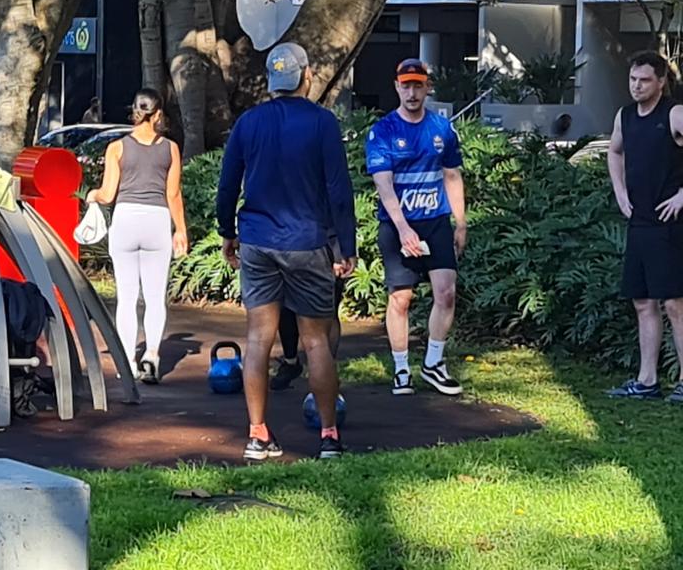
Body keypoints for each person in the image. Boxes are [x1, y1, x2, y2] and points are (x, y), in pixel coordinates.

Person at [217, 43, 357, 461]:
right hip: (307, 242)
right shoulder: (322, 123)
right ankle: (329, 436)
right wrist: (345, 247)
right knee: (316, 340)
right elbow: (338, 189)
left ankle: (258, 435)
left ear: (271, 80)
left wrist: (228, 231)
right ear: (306, 76)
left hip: (258, 241)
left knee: (258, 338)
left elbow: (228, 184)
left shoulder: (248, 122)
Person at [365, 59, 467, 397]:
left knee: (446, 292)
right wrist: (403, 228)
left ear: (427, 87)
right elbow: (384, 185)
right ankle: (401, 368)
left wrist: (461, 222)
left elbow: (452, 175)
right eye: (406, 85)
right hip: (397, 226)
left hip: (436, 221)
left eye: (418, 85)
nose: (412, 92)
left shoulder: (442, 129)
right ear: (396, 87)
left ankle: (434, 363)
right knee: (401, 299)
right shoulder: (383, 131)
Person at [86, 89, 188, 383]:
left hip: (126, 219)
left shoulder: (117, 148)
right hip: (157, 220)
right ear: (156, 115)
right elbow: (173, 194)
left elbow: (107, 194)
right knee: (155, 297)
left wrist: (91, 195)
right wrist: (180, 229)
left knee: (127, 297)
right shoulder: (170, 148)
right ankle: (152, 356)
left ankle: (127, 361)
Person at [606, 51, 683, 402]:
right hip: (640, 222)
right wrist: (620, 192)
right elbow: (615, 152)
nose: (637, 86)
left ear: (662, 81)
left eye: (645, 80)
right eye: (633, 79)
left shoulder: (674, 114)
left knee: (675, 303)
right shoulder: (625, 116)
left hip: (671, 224)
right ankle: (647, 381)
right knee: (642, 302)